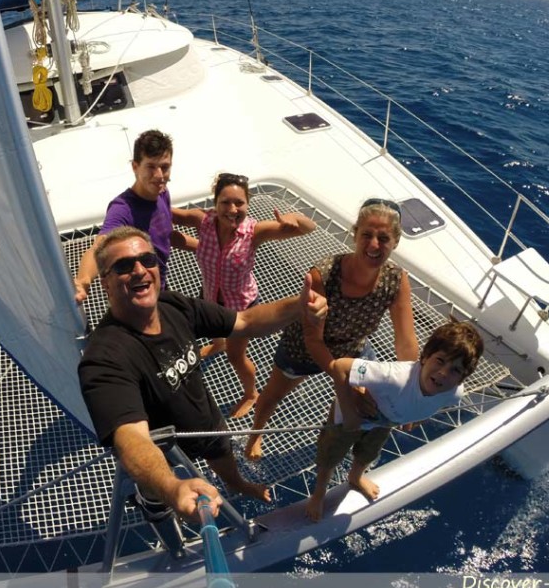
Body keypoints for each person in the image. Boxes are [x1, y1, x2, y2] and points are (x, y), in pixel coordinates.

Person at [77, 226, 327, 519]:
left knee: (224, 460)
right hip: (163, 452)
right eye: (123, 265)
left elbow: (245, 321)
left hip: (204, 421)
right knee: (157, 496)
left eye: (148, 260)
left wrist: (299, 306)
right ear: (105, 283)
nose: (139, 270)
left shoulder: (171, 305)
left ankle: (237, 484)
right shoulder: (104, 358)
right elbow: (131, 438)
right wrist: (172, 488)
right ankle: (159, 503)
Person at [245, 198, 418, 460]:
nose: (373, 245)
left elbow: (405, 342)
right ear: (355, 234)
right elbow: (313, 341)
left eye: (383, 238)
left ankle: (335, 443)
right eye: (367, 235)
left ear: (395, 241)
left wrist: (411, 392)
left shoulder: (397, 279)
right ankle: (254, 437)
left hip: (352, 347)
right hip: (304, 347)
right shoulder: (324, 275)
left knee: (370, 400)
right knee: (272, 395)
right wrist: (344, 383)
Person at [305, 320, 483, 521]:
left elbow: (429, 405)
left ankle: (354, 477)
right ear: (424, 357)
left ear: (462, 378)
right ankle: (319, 494)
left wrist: (414, 419)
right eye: (440, 361)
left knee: (368, 453)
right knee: (330, 457)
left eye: (455, 370)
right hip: (352, 416)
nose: (443, 373)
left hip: (385, 421)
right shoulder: (393, 377)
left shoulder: (453, 393)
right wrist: (349, 414)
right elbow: (340, 367)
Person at [172, 172, 317, 418]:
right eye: (225, 202)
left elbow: (309, 228)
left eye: (239, 203)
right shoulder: (203, 222)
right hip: (209, 296)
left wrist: (294, 219)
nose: (232, 209)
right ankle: (217, 344)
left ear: (247, 204)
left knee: (236, 357)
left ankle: (251, 393)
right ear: (215, 203)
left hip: (240, 308)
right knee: (214, 333)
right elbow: (168, 210)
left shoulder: (254, 232)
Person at [74, 129, 193, 305]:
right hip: (136, 298)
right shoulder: (122, 210)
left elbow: (165, 234)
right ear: (135, 167)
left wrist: (207, 247)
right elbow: (98, 248)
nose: (159, 175)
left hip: (159, 288)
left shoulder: (161, 193)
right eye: (151, 167)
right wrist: (84, 281)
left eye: (165, 167)